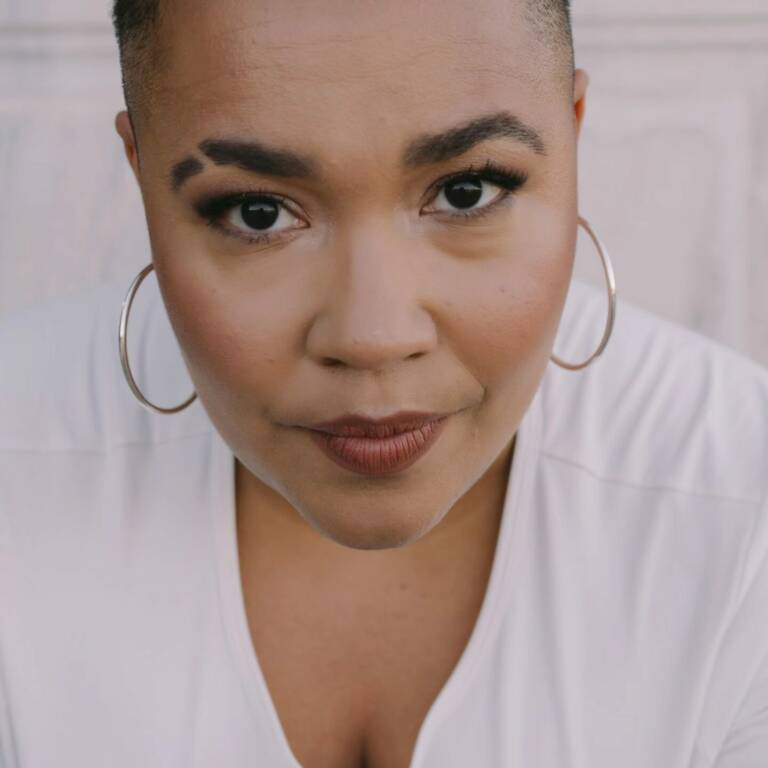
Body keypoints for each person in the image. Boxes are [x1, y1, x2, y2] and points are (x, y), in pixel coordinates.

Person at [0, 0, 766, 766]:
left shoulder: (743, 510)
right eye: (258, 213)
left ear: (571, 135)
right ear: (140, 172)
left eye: (466, 192)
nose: (373, 337)